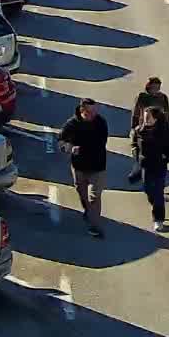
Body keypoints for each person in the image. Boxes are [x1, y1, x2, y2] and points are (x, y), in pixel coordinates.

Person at [59, 98, 109, 236]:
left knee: (95, 196)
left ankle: (94, 225)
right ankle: (88, 210)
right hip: (79, 167)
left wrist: (82, 148)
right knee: (81, 191)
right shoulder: (71, 124)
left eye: (95, 111)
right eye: (89, 112)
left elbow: (101, 143)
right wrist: (69, 148)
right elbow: (61, 141)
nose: (93, 114)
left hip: (97, 166)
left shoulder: (101, 123)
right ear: (82, 111)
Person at [133, 107, 169, 232]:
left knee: (158, 192)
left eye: (149, 117)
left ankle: (158, 219)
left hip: (159, 166)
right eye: (144, 117)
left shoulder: (164, 132)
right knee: (148, 190)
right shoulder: (139, 131)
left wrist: (166, 157)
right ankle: (155, 204)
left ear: (156, 118)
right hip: (146, 166)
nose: (146, 119)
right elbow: (134, 144)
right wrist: (136, 155)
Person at [127, 77, 169, 184]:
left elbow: (167, 114)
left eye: (158, 86)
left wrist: (167, 129)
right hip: (144, 128)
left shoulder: (163, 97)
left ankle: (155, 176)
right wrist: (133, 128)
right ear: (149, 86)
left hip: (159, 129)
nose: (156, 89)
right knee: (139, 151)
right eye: (154, 86)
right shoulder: (142, 97)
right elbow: (136, 113)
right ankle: (139, 169)